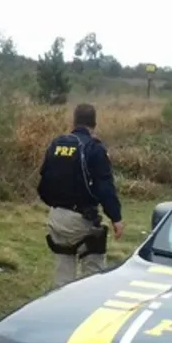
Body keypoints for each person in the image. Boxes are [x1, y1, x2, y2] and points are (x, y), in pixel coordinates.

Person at [37, 103, 124, 287]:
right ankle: (88, 306)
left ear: (74, 121)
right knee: (93, 269)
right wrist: (116, 218)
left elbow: (43, 183)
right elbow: (105, 188)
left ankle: (61, 305)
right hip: (82, 220)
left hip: (56, 218)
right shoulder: (95, 149)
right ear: (94, 123)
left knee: (63, 271)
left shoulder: (57, 144)